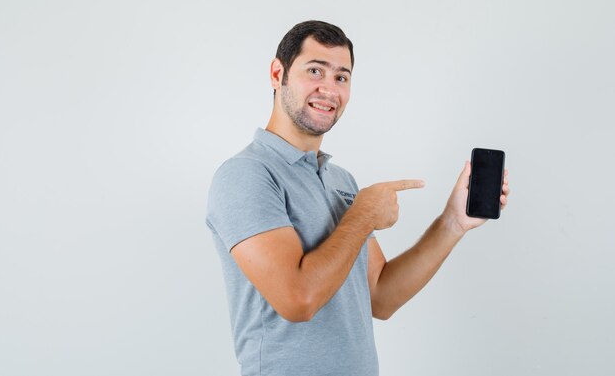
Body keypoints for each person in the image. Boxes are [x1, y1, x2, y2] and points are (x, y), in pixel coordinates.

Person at [206, 20, 510, 376]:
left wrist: (452, 222)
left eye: (341, 77)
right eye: (315, 70)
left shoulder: (340, 180)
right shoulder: (246, 174)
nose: (329, 89)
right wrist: (363, 214)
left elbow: (380, 297)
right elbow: (298, 300)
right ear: (278, 73)